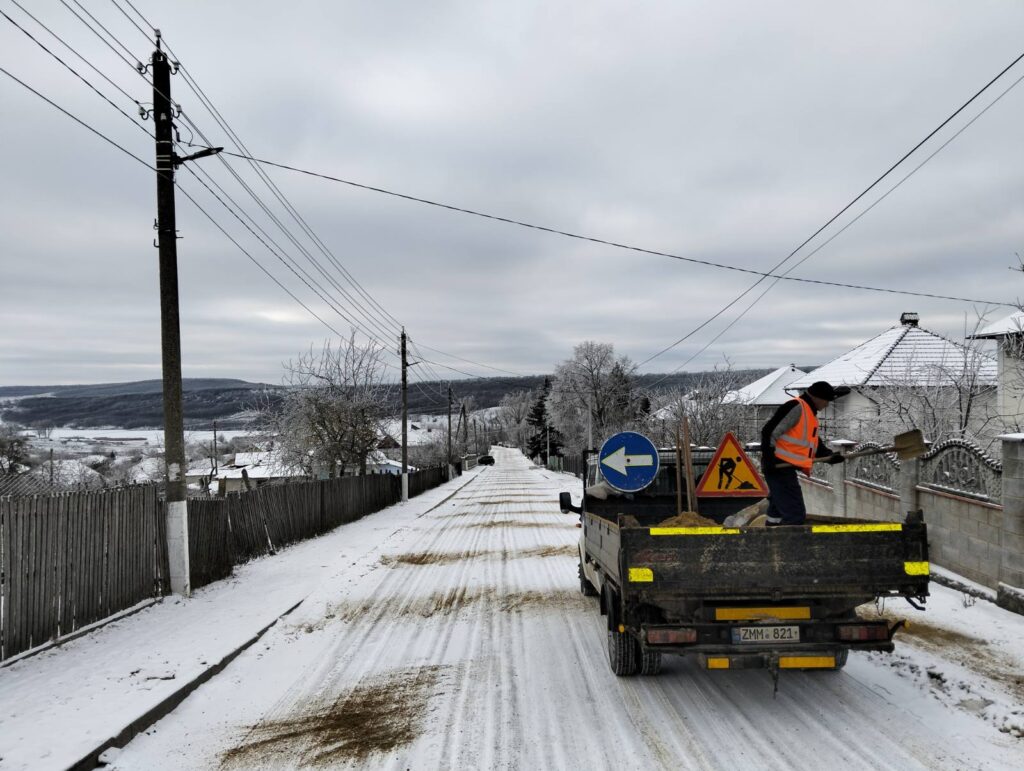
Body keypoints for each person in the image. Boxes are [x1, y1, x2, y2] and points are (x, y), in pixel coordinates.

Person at [760, 381, 848, 526]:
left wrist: (828, 456)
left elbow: (812, 442)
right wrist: (769, 459)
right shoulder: (796, 407)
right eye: (827, 401)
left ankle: (770, 539)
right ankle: (789, 546)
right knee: (795, 515)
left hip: (783, 468)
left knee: (778, 513)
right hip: (778, 467)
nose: (827, 405)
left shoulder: (808, 413)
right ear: (818, 397)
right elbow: (769, 431)